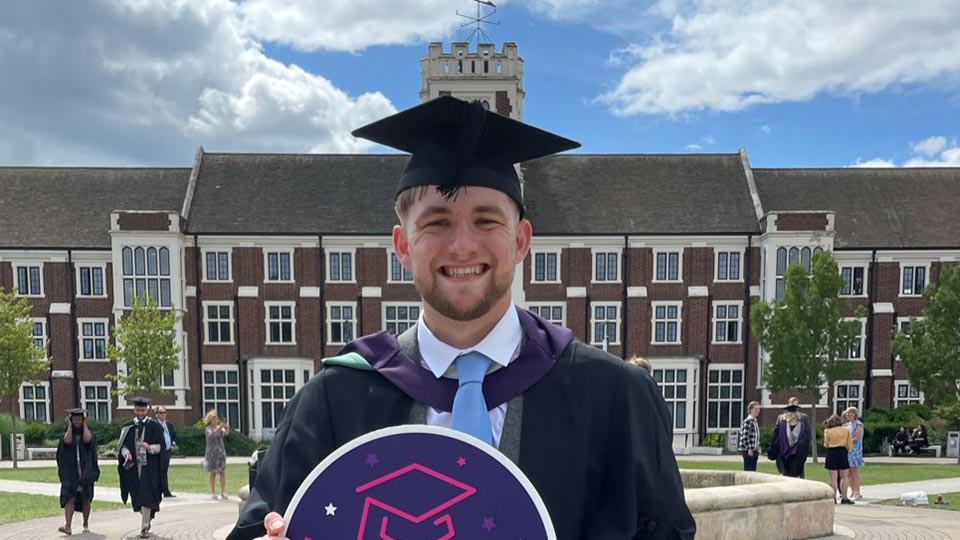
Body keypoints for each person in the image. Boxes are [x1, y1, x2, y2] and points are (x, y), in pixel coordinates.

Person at [227, 96, 696, 540]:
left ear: (521, 240)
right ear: (403, 246)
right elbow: (260, 521)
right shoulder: (333, 399)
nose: (463, 245)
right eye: (437, 222)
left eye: (487, 220)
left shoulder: (614, 397)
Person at [117, 396, 165, 539]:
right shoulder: (128, 426)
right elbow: (122, 446)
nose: (140, 413)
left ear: (147, 410)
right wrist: (126, 454)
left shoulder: (154, 426)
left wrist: (149, 447)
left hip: (149, 468)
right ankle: (147, 518)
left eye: (143, 410)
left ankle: (144, 527)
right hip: (133, 468)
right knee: (137, 496)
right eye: (138, 410)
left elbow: (161, 446)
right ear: (134, 410)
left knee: (147, 496)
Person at [56, 408, 100, 535]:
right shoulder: (66, 434)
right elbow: (67, 441)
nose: (77, 421)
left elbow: (87, 440)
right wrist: (70, 426)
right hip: (71, 473)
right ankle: (68, 526)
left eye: (79, 419)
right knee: (69, 498)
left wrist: (85, 425)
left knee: (86, 498)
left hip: (85, 472)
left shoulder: (88, 434)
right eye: (74, 419)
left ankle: (85, 524)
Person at [769, 409, 810, 478]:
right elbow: (776, 440)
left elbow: (805, 443)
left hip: (794, 457)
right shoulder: (782, 426)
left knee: (791, 477)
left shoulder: (801, 427)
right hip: (785, 457)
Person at [823, 414, 854, 505]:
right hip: (842, 451)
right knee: (844, 477)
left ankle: (834, 498)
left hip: (831, 452)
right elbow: (850, 444)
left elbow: (826, 444)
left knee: (833, 477)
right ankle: (844, 497)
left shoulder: (827, 431)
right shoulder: (846, 430)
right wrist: (848, 451)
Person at [203, 409, 230, 500]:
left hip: (221, 452)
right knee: (213, 472)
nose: (215, 421)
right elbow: (213, 435)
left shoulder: (219, 427)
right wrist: (219, 429)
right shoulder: (208, 429)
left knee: (222, 472)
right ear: (210, 420)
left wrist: (227, 428)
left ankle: (223, 492)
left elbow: (225, 433)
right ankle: (213, 492)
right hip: (212, 453)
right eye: (213, 419)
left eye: (216, 418)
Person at [154, 406, 178, 498]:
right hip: (158, 452)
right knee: (158, 472)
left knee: (164, 471)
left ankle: (166, 491)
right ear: (156, 414)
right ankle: (157, 491)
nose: (163, 414)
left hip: (167, 452)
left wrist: (173, 443)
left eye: (164, 412)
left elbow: (173, 435)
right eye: (160, 413)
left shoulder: (169, 424)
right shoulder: (154, 425)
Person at [843, 407, 864, 500]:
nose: (848, 415)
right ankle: (852, 491)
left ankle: (857, 492)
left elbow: (857, 438)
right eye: (847, 414)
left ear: (855, 414)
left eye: (850, 413)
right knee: (848, 473)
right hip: (847, 451)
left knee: (854, 472)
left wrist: (847, 442)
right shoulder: (847, 425)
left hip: (855, 451)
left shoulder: (858, 425)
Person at [738, 400, 761, 471]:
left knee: (753, 470)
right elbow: (745, 436)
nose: (758, 411)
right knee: (749, 470)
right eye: (756, 409)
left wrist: (758, 447)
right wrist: (749, 448)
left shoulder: (754, 421)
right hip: (748, 450)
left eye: (758, 409)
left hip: (754, 449)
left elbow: (755, 436)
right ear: (751, 410)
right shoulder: (748, 421)